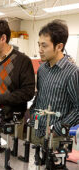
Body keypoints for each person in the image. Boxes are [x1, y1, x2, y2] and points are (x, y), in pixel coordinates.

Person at [30, 20, 79, 149]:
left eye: (44, 46)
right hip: (36, 132)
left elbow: (78, 109)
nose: (40, 50)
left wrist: (56, 129)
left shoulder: (72, 72)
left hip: (56, 138)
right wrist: (32, 114)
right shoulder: (42, 69)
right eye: (39, 45)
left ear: (59, 46)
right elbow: (39, 96)